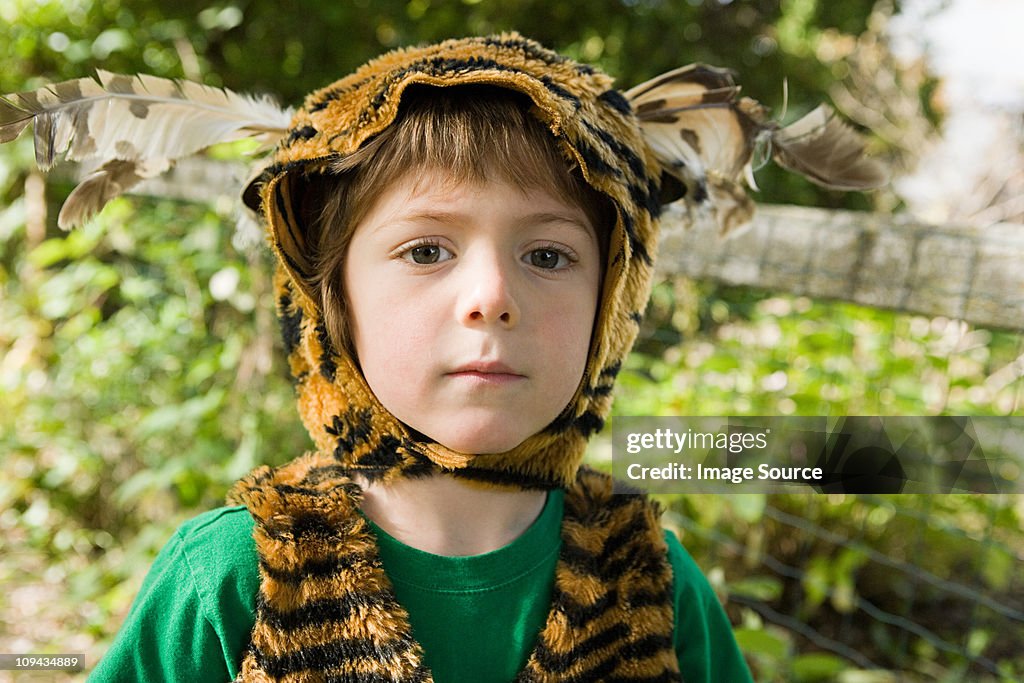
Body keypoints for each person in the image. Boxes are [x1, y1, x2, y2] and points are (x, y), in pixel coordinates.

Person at [87, 34, 756, 682]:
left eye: (547, 256)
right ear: (334, 300)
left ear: (611, 301)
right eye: (427, 251)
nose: (492, 298)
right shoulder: (236, 575)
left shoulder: (654, 584)